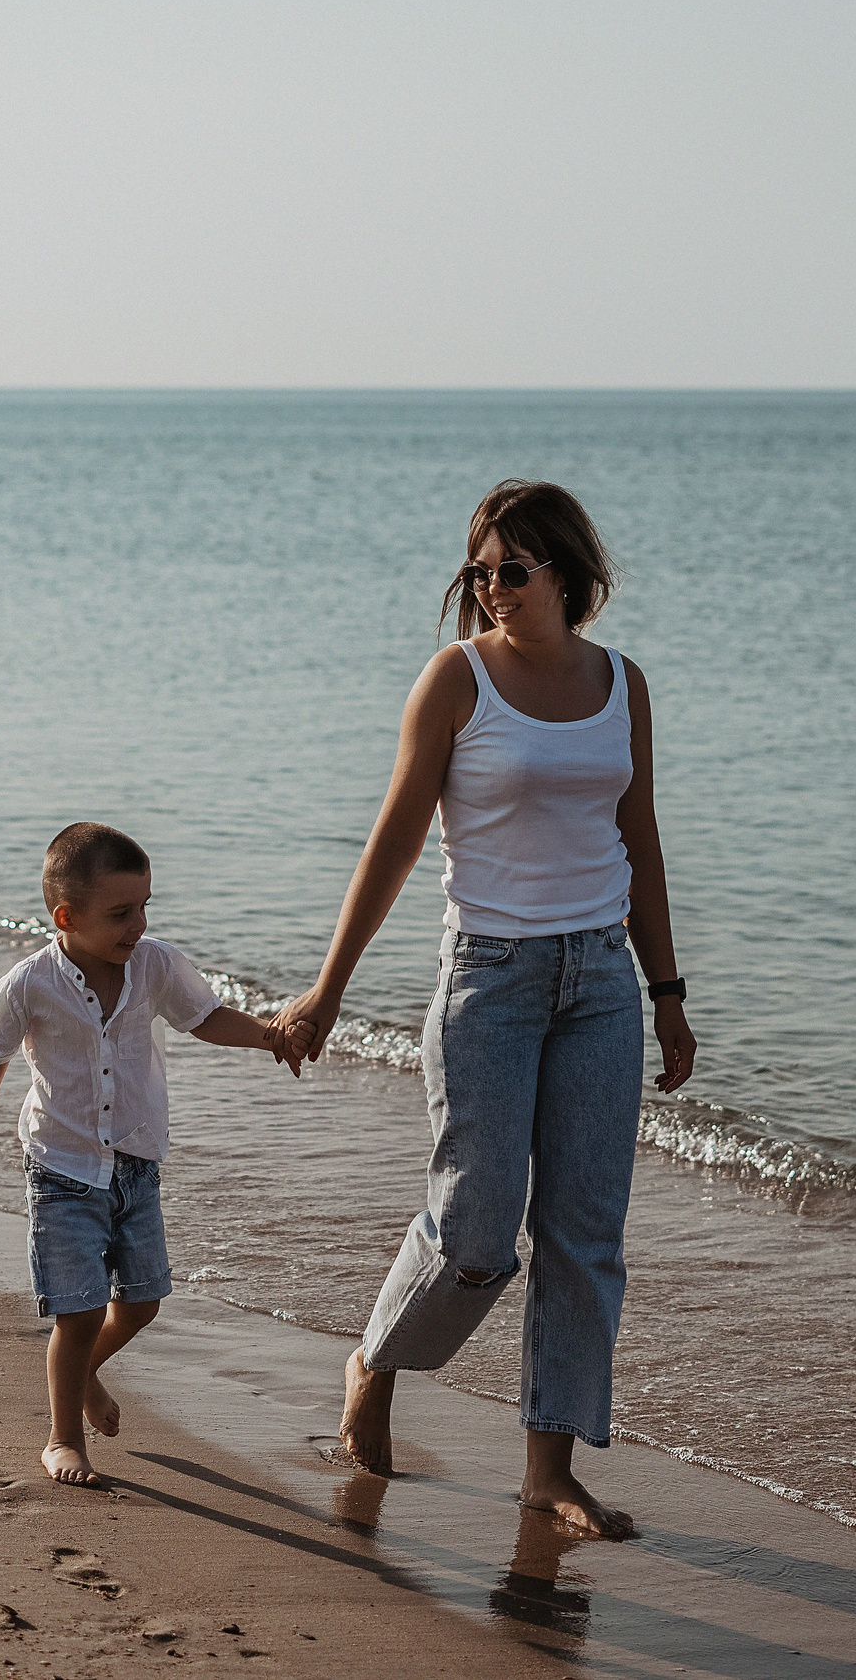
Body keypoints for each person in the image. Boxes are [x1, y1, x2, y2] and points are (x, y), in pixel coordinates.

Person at [278, 480, 695, 1539]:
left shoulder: (621, 685)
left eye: (513, 570)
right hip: (489, 982)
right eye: (480, 572)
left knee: (582, 1237)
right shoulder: (455, 682)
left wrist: (668, 992)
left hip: (601, 984)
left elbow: (638, 842)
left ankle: (547, 1473)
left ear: (567, 574)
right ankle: (376, 1361)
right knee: (475, 1234)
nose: (492, 589)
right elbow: (395, 842)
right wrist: (330, 987)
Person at [0, 821, 302, 1486]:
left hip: (137, 1164)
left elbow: (206, 1016)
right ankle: (62, 1438)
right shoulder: (29, 984)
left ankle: (84, 1373)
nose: (138, 923)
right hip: (61, 1168)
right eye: (120, 913)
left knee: (141, 1300)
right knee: (77, 1310)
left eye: (144, 906)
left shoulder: (155, 964)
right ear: (66, 916)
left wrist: (268, 1036)